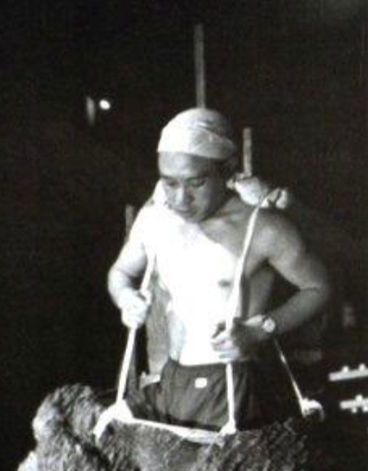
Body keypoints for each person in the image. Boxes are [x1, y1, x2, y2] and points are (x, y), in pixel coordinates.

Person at [107, 107, 332, 430]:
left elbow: (319, 288)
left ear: (226, 170)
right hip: (171, 379)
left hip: (233, 382)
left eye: (195, 183)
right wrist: (126, 298)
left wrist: (260, 329)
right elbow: (120, 273)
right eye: (169, 183)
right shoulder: (155, 219)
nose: (181, 198)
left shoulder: (263, 227)